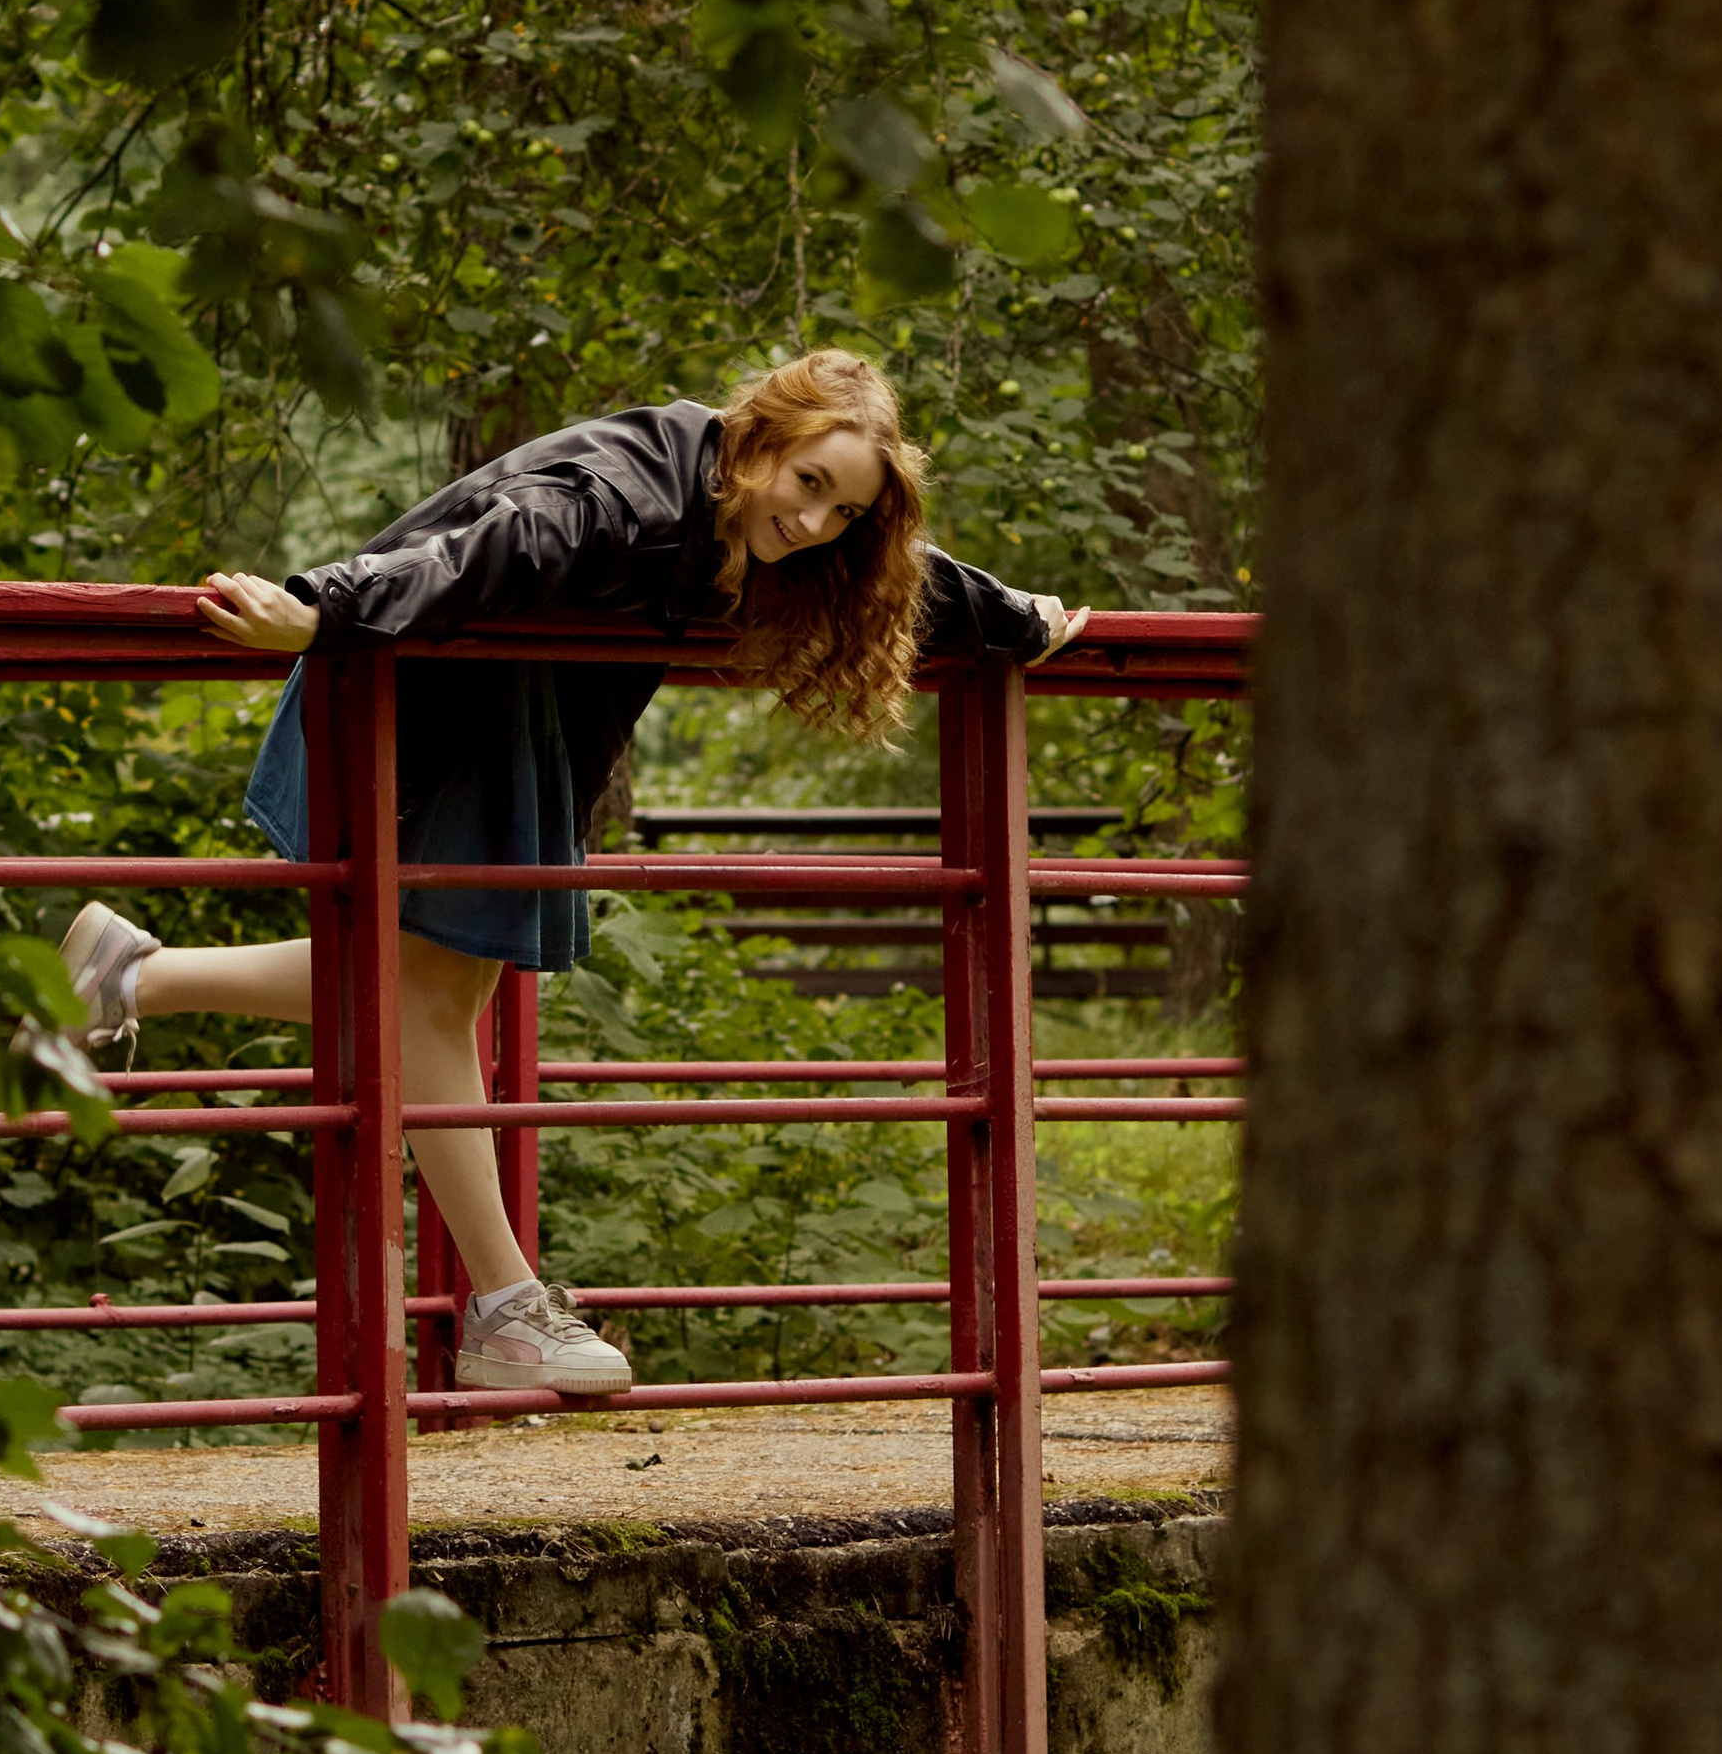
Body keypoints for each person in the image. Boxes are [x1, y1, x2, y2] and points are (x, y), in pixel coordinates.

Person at [60, 349, 1086, 1401]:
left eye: (843, 510)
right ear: (756, 438)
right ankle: (504, 1306)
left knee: (426, 991)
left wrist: (1016, 618)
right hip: (432, 705)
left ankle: (135, 973)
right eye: (808, 483)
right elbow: (488, 546)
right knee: (435, 998)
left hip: (498, 719)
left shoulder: (744, 521)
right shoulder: (624, 493)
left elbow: (907, 579)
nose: (817, 522)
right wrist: (327, 608)